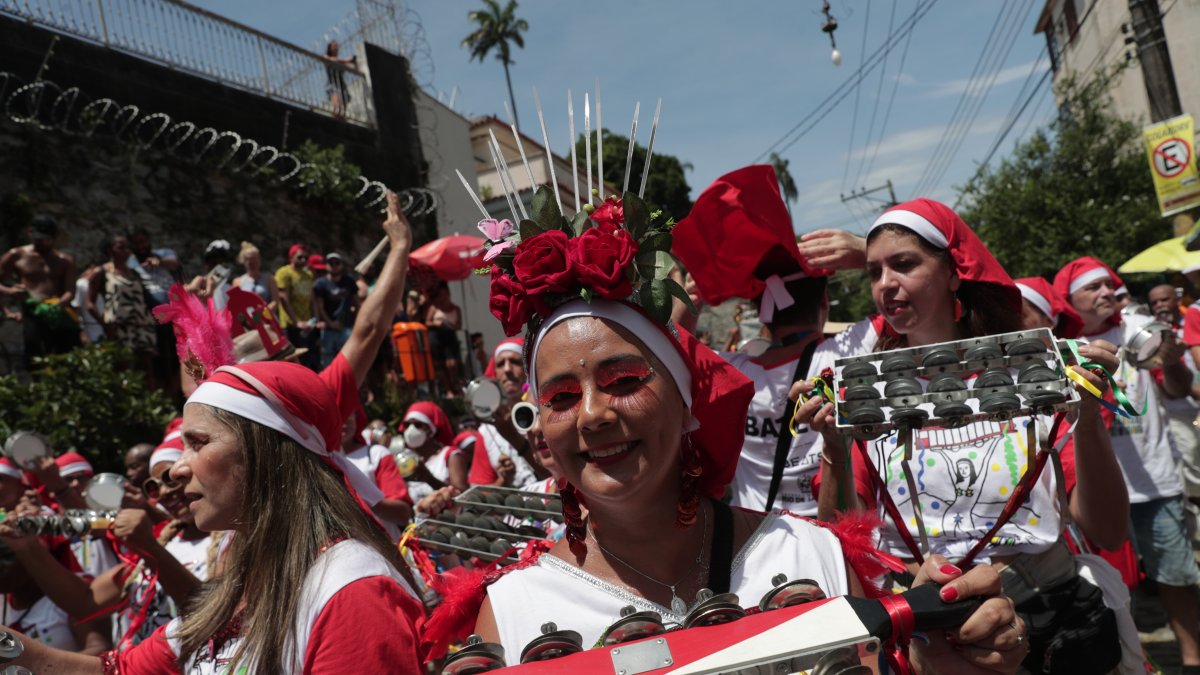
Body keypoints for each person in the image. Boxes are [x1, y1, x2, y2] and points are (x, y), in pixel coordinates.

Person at [433, 192, 1026, 674]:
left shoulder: (808, 554)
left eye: (623, 381)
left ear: (688, 402)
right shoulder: (512, 615)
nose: (592, 416)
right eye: (561, 397)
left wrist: (939, 662)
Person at [793, 201, 1139, 674]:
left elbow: (1107, 529)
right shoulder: (863, 393)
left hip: (1051, 621)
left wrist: (1089, 416)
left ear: (954, 274)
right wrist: (834, 446)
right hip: (930, 636)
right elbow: (841, 540)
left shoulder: (1033, 373)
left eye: (905, 264)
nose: (885, 285)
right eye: (874, 272)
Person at [0, 361, 425, 673]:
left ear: (266, 453)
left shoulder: (352, 591)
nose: (178, 470)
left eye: (198, 443)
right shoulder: (240, 584)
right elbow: (120, 670)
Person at [673, 165, 845, 515]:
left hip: (752, 542)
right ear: (824, 303)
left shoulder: (734, 373)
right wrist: (861, 252)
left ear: (760, 309)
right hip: (828, 543)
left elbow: (668, 346)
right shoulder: (848, 354)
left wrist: (696, 294)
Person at [1055, 257, 1200, 671]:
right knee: (1112, 590)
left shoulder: (1138, 327)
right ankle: (1134, 660)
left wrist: (1170, 358)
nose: (1107, 293)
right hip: (1097, 494)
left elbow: (1176, 391)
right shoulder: (1063, 348)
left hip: (1156, 482)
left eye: (1109, 284)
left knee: (1175, 578)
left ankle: (1191, 661)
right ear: (1070, 301)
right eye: (1093, 288)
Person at [0, 215, 80, 362]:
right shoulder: (17, 255)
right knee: (36, 359)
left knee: (65, 359)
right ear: (30, 233)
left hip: (58, 312)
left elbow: (70, 290)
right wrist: (9, 294)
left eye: (47, 239)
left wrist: (59, 304)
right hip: (33, 312)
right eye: (39, 238)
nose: (43, 242)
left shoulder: (65, 260)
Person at [1149, 283, 1200, 512]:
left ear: (1176, 300)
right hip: (1178, 414)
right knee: (1191, 457)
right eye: (1155, 302)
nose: (1160, 305)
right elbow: (1165, 382)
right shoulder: (1151, 335)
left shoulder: (1192, 323)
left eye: (1165, 299)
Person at [466, 338, 542, 488]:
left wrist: (513, 436)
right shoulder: (487, 432)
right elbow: (477, 497)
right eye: (500, 364)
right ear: (495, 373)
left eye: (515, 362)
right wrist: (503, 480)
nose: (507, 369)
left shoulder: (547, 417)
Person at [87, 235, 157, 385]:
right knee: (122, 368)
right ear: (110, 250)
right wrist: (105, 325)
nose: (126, 251)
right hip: (119, 327)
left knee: (147, 368)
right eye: (121, 247)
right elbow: (89, 303)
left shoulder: (134, 273)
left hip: (142, 326)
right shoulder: (101, 273)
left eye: (128, 247)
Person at [275, 243, 320, 370]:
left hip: (308, 325)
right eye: (300, 257)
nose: (304, 260)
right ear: (291, 257)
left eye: (306, 257)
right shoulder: (284, 273)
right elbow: (283, 298)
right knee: (292, 362)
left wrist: (316, 318)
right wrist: (296, 322)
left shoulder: (308, 275)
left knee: (309, 360)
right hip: (290, 325)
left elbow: (312, 298)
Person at [313, 251, 360, 369]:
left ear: (341, 265)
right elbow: (320, 306)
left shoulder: (349, 282)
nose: (334, 266)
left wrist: (357, 321)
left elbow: (356, 303)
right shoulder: (320, 283)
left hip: (346, 325)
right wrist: (330, 323)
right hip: (328, 327)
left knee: (348, 360)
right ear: (327, 265)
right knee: (327, 361)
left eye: (337, 263)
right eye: (331, 263)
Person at [425, 282, 463, 397]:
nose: (443, 297)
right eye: (441, 295)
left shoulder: (456, 308)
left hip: (450, 336)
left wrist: (452, 325)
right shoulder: (434, 307)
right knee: (441, 365)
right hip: (436, 336)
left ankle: (453, 384)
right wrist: (436, 323)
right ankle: (448, 390)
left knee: (452, 364)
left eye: (445, 294)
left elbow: (459, 325)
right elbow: (427, 322)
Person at [231, 241, 279, 309]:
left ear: (259, 260)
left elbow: (275, 301)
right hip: (246, 317)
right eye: (249, 260)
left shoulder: (269, 279)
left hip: (266, 316)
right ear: (243, 261)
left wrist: (264, 313)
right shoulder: (237, 282)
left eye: (254, 260)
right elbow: (234, 304)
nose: (252, 263)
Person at [324, 40, 357, 118]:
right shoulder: (326, 57)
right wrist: (347, 60)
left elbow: (352, 68)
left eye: (337, 46)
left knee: (343, 112)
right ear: (330, 49)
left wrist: (354, 63)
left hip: (342, 86)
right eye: (334, 46)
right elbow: (331, 59)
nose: (336, 48)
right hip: (333, 84)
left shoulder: (341, 61)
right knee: (337, 108)